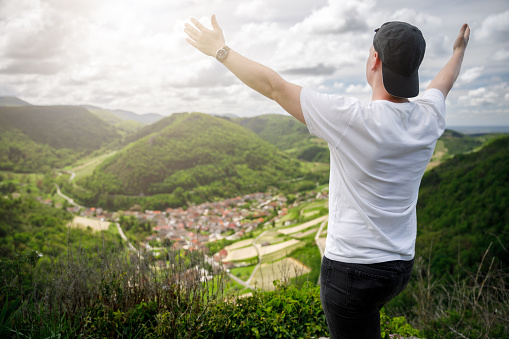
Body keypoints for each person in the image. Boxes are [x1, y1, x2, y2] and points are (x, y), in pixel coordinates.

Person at [185, 15, 470, 339]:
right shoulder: (428, 117)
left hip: (352, 272)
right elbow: (442, 85)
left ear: (374, 59)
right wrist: (458, 53)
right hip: (399, 268)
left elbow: (275, 88)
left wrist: (221, 51)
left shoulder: (353, 118)